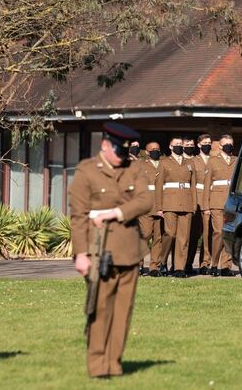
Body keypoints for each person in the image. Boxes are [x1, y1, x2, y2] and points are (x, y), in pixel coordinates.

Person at [69, 122, 153, 378]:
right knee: (100, 308)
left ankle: (114, 363)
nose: (120, 158)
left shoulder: (134, 169)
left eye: (123, 152)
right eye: (117, 151)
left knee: (122, 311)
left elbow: (145, 200)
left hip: (129, 250)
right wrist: (81, 254)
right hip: (99, 250)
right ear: (104, 145)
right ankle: (97, 365)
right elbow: (78, 216)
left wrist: (116, 212)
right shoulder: (87, 171)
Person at [155, 135, 196, 278]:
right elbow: (159, 186)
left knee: (183, 238)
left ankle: (179, 268)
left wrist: (193, 205)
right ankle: (162, 261)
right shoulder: (164, 162)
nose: (179, 146)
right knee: (170, 234)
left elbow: (193, 186)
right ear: (170, 147)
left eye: (181, 144)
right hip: (169, 203)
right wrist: (159, 207)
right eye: (176, 144)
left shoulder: (190, 163)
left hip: (186, 203)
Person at [203, 134, 237, 277]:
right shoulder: (212, 161)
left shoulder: (236, 160)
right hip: (216, 202)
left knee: (229, 234)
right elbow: (206, 185)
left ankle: (226, 266)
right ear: (220, 146)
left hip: (231, 203)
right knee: (218, 233)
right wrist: (206, 207)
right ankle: (214, 264)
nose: (229, 146)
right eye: (226, 144)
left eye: (231, 143)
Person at [188, 134, 213, 275]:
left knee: (208, 234)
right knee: (194, 234)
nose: (207, 145)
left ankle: (205, 263)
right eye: (205, 143)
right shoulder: (192, 161)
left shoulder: (214, 161)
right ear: (199, 145)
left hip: (210, 199)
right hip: (197, 199)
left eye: (209, 143)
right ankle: (188, 262)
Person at [139, 142, 164, 276]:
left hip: (160, 206)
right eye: (153, 150)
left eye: (158, 149)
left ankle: (155, 267)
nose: (156, 151)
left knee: (158, 238)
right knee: (144, 235)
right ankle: (138, 265)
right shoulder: (141, 165)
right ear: (147, 152)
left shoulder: (163, 164)